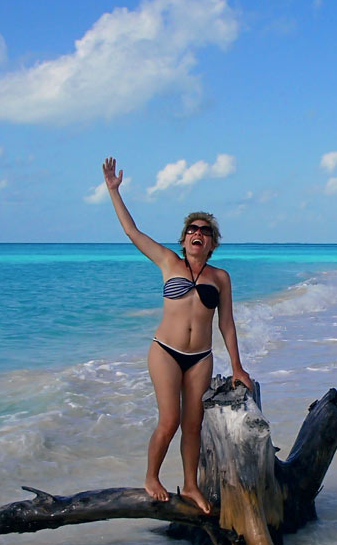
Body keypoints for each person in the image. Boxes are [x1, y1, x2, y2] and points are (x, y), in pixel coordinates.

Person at [103, 157, 254, 514]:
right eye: (192, 230)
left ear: (212, 242)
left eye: (204, 231)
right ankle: (151, 477)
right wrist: (114, 191)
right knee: (169, 419)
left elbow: (226, 324)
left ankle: (189, 485)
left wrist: (238, 367)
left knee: (193, 424)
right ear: (184, 239)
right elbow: (132, 232)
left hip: (201, 356)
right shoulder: (168, 262)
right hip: (166, 351)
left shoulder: (221, 278)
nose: (197, 234)